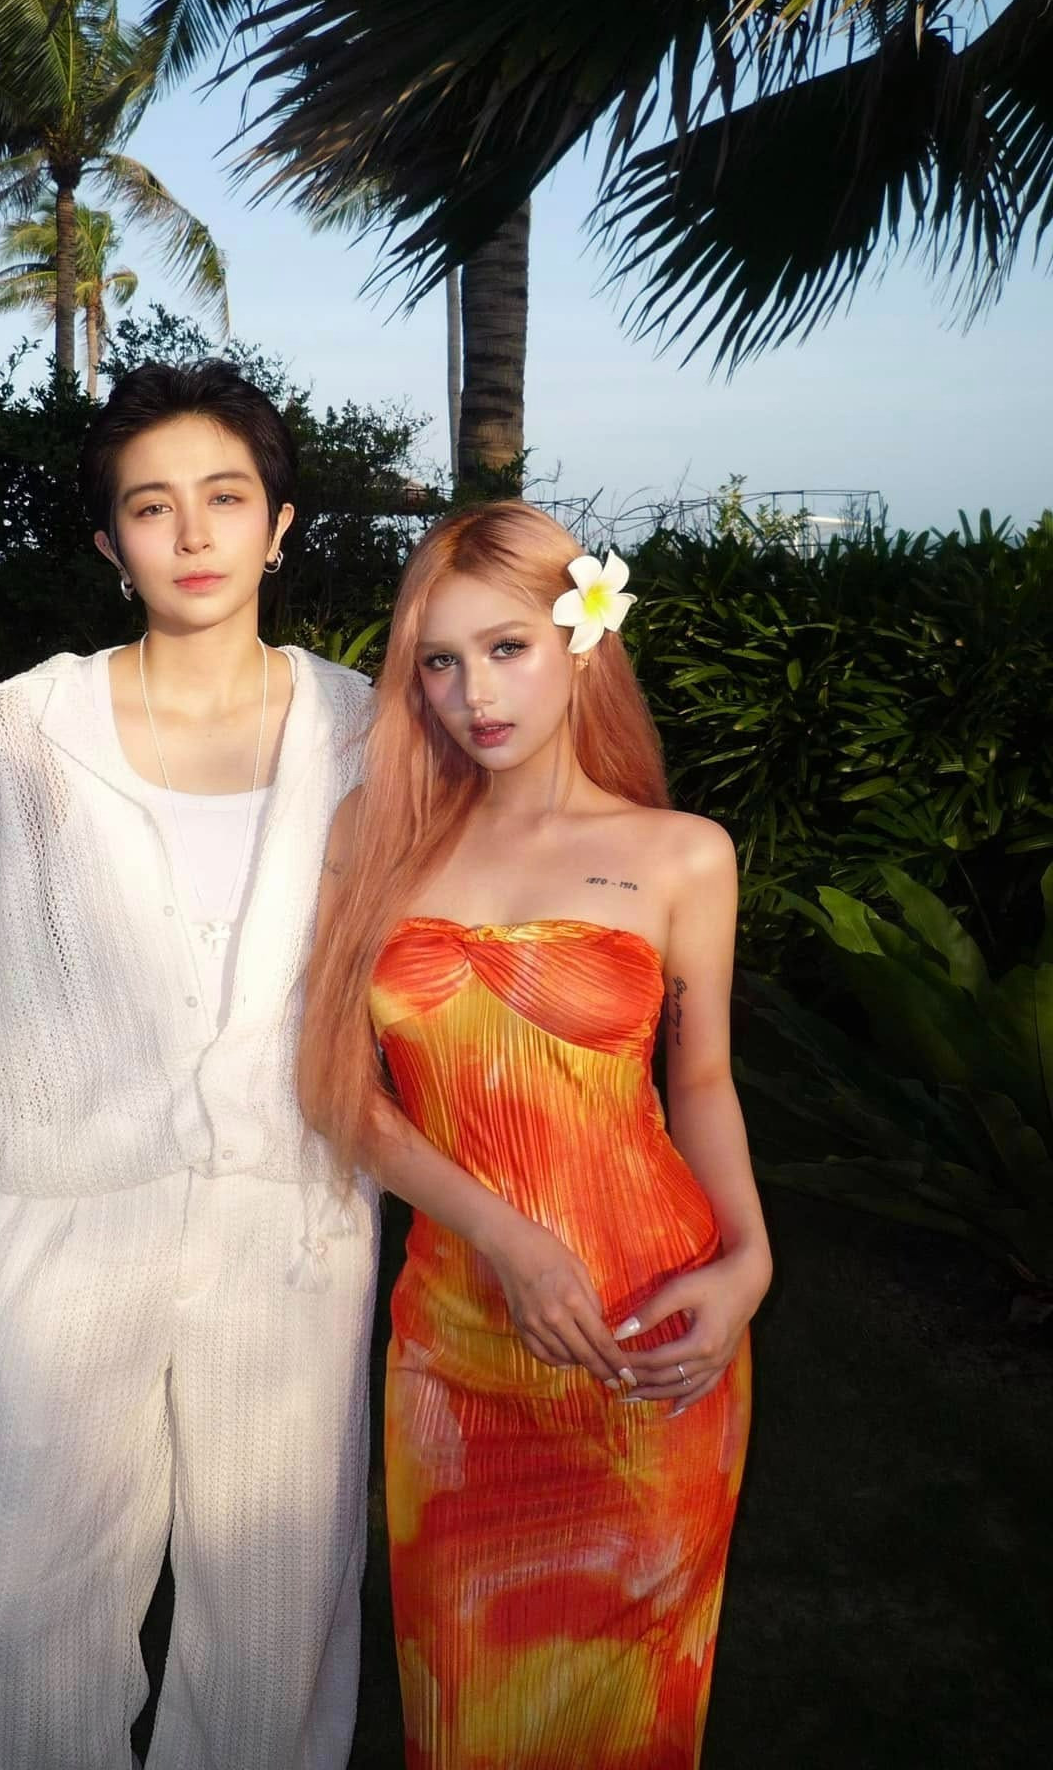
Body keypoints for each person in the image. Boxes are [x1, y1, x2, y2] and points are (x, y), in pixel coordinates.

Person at [0, 360, 379, 1770]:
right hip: (66, 1217)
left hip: (294, 1220)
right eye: (151, 505)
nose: (191, 533)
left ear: (279, 526)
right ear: (110, 542)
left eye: (225, 497)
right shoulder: (21, 731)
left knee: (272, 1609)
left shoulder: (365, 728)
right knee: (20, 1611)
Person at [301, 499, 770, 1770]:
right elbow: (339, 1088)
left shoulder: (682, 854)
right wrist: (502, 1235)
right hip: (455, 1347)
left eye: (507, 647)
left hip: (649, 1337)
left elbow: (704, 1081)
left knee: (628, 1720)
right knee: (463, 1708)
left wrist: (749, 1262)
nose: (474, 693)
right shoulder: (376, 837)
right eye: (439, 662)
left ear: (580, 639)